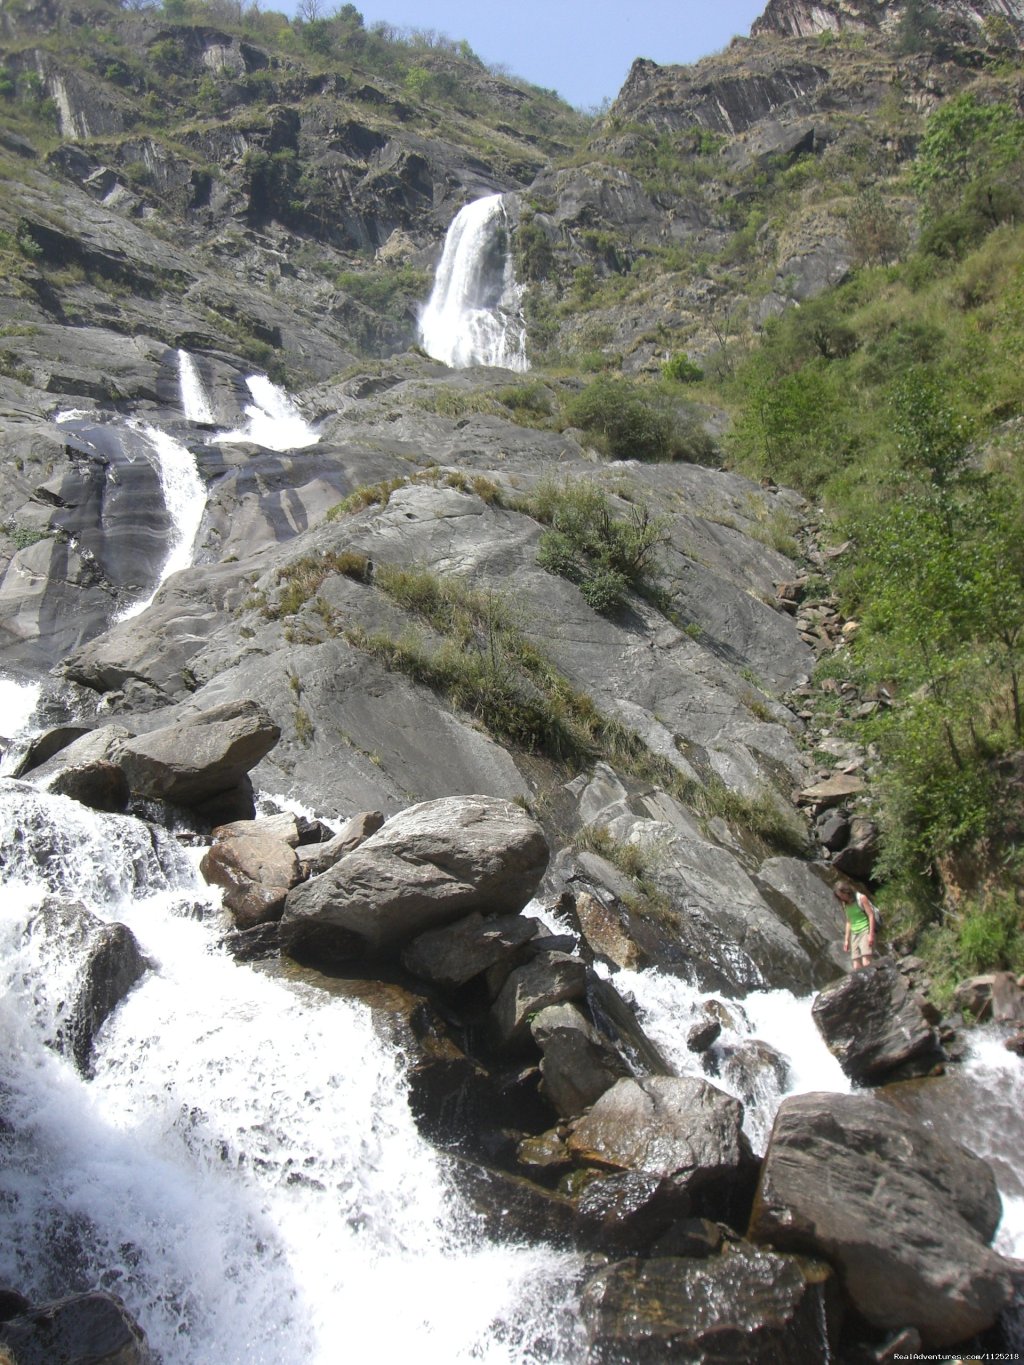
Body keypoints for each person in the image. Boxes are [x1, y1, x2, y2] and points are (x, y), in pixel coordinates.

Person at [835, 881, 877, 970]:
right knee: (856, 967)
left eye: (842, 895)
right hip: (854, 934)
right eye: (839, 896)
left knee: (866, 963)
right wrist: (846, 940)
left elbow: (871, 915)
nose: (841, 898)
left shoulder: (861, 898)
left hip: (865, 930)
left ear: (846, 891)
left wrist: (871, 934)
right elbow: (848, 922)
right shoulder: (844, 904)